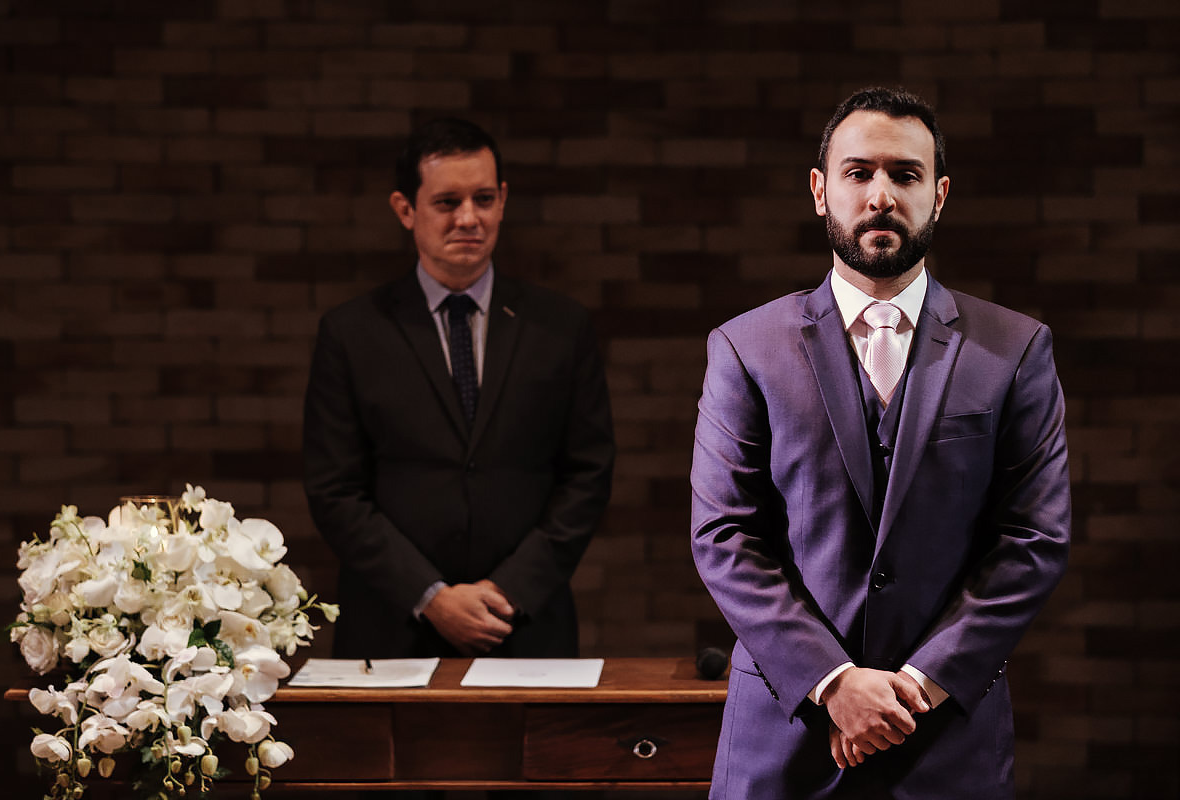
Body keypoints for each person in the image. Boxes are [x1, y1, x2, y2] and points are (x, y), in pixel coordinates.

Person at [690, 87, 1071, 799]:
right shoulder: (745, 349)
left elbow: (1034, 540)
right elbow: (725, 536)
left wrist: (916, 687)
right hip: (787, 735)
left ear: (940, 194)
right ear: (820, 189)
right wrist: (833, 684)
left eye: (905, 174)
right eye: (858, 172)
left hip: (946, 737)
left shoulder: (1015, 349)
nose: (881, 195)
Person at [304, 118, 615, 663]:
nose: (469, 218)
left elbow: (588, 474)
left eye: (484, 198)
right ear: (406, 209)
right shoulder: (352, 332)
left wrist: (509, 591)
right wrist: (432, 597)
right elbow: (335, 490)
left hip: (526, 627)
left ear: (503, 201)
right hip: (391, 629)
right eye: (447, 202)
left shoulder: (560, 326)